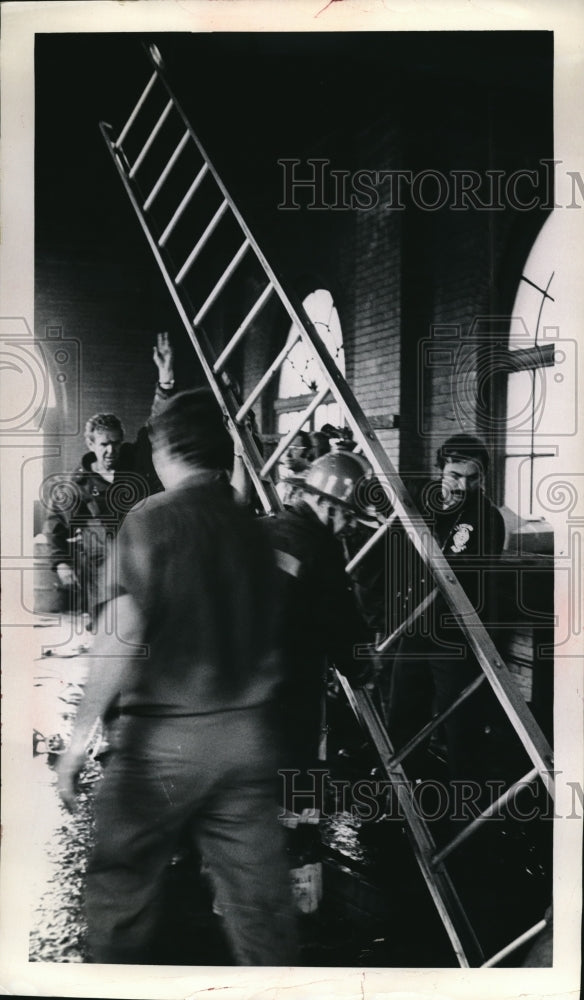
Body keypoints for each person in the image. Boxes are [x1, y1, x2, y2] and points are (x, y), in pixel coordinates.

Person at [56, 388, 297, 966]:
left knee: (120, 892)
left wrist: (78, 740)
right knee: (261, 912)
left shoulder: (152, 520)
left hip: (162, 748)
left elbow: (119, 637)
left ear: (165, 448)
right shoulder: (254, 528)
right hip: (248, 743)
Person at [386, 432, 506, 793]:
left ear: (483, 477)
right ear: (442, 470)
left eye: (473, 478)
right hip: (414, 628)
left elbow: (463, 572)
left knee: (461, 724)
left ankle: (464, 805)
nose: (463, 486)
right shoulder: (420, 504)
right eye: (455, 475)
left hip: (454, 636)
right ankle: (402, 793)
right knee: (403, 715)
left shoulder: (487, 519)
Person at [262, 450, 376, 783]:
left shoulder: (262, 527)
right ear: (326, 505)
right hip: (289, 695)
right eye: (349, 515)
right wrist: (362, 666)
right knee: (299, 783)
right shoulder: (320, 550)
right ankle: (298, 831)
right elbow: (339, 624)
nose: (352, 526)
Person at [43, 333, 176, 619]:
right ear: (91, 444)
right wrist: (61, 564)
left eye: (116, 442)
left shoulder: (133, 463)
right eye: (104, 444)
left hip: (145, 570)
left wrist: (165, 380)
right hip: (102, 580)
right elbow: (54, 527)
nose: (111, 450)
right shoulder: (75, 486)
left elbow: (156, 424)